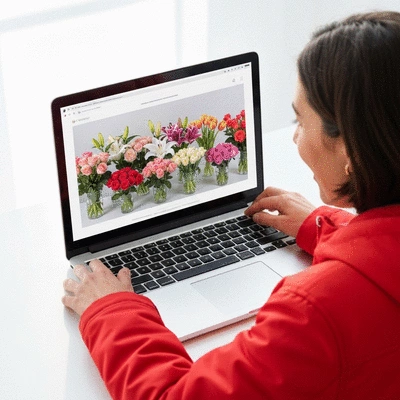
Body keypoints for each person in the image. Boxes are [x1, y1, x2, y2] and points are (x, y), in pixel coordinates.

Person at [62, 11, 400, 400]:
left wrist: (110, 310)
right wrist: (326, 227)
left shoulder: (315, 311)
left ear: (349, 148)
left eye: (301, 122)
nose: (294, 140)